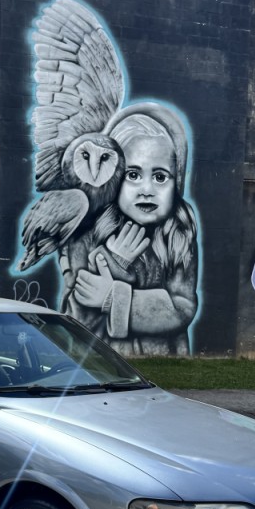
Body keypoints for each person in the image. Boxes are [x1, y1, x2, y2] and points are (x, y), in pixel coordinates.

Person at [62, 102, 199, 356]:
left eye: (160, 177)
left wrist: (114, 297)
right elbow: (75, 318)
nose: (147, 189)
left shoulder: (178, 234)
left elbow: (183, 307)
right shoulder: (87, 232)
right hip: (98, 362)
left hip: (164, 362)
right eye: (133, 175)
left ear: (177, 181)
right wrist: (113, 261)